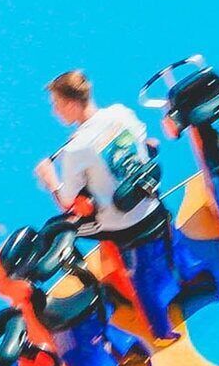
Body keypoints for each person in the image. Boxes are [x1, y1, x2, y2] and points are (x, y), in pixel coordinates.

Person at [35, 70, 190, 340]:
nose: (55, 111)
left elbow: (67, 202)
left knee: (58, 229)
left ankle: (100, 287)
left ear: (71, 104)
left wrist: (50, 180)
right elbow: (147, 143)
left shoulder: (75, 150)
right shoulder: (120, 112)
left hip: (126, 224)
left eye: (56, 104)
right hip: (152, 203)